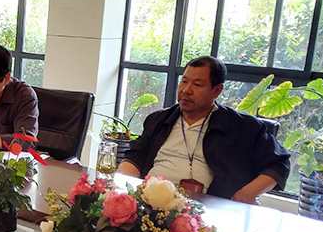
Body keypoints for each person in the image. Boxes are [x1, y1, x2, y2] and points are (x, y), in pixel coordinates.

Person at [118, 56, 290, 204]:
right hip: (151, 202)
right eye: (184, 81)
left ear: (217, 90)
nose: (186, 90)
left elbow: (279, 164)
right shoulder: (159, 120)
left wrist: (246, 194)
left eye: (197, 84)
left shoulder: (242, 126)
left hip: (209, 209)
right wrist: (120, 187)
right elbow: (134, 158)